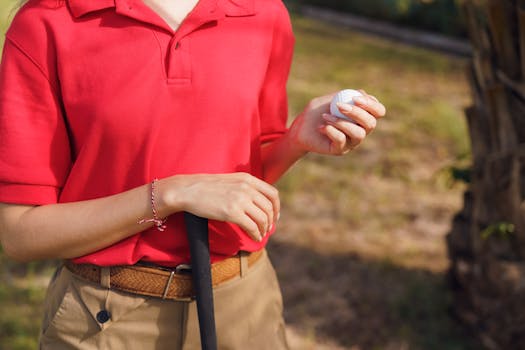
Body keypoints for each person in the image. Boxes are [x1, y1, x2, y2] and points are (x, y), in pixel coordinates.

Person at [0, 0, 386, 349]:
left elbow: (238, 183)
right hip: (108, 321)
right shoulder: (49, 23)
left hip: (245, 306)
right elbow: (21, 233)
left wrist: (295, 141)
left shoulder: (263, 13)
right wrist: (170, 194)